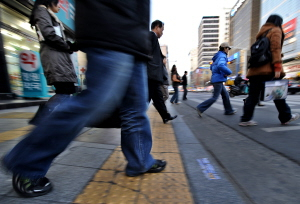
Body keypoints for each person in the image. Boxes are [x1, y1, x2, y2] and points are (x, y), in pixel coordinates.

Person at [1, 0, 167, 198]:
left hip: (136, 44)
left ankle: (140, 161)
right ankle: (26, 163)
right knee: (95, 102)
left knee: (136, 109)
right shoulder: (44, 13)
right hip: (111, 29)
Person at [239, 14, 299, 126]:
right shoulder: (276, 30)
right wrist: (277, 68)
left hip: (254, 71)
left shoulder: (262, 33)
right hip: (268, 70)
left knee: (253, 96)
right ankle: (286, 117)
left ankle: (245, 119)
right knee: (278, 94)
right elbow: (275, 49)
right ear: (278, 22)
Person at [28, 0, 78, 125]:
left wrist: (69, 47)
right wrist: (68, 46)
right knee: (65, 90)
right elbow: (49, 34)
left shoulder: (46, 13)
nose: (60, 6)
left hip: (58, 57)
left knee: (67, 89)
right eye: (58, 3)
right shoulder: (41, 10)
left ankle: (61, 118)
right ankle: (44, 115)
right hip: (54, 58)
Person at [147, 20, 177, 123]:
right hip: (151, 75)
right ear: (157, 27)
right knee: (145, 100)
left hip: (153, 75)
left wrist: (162, 59)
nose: (162, 32)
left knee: (159, 99)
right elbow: (148, 54)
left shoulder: (153, 38)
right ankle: (135, 117)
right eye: (162, 29)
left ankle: (165, 116)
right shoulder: (151, 36)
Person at [196, 42, 236, 117]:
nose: (228, 50)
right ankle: (200, 108)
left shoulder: (217, 56)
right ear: (224, 48)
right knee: (215, 97)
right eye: (228, 48)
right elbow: (220, 65)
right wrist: (228, 72)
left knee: (225, 95)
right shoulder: (222, 56)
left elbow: (212, 67)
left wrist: (222, 71)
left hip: (217, 79)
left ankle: (229, 110)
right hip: (218, 80)